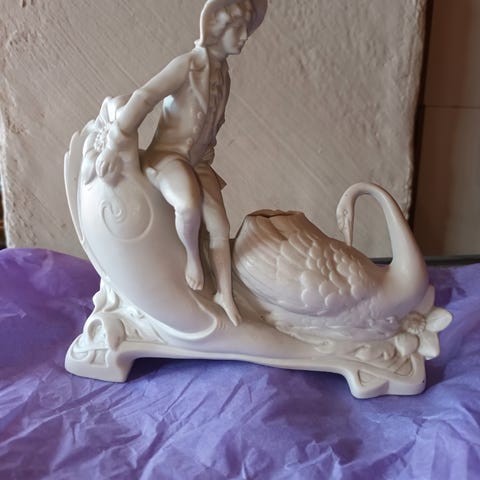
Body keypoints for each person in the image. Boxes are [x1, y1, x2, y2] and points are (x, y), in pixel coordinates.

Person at [104, 0, 267, 326]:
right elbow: (145, 97)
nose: (244, 37)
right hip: (168, 157)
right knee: (188, 204)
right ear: (218, 28)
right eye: (238, 29)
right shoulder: (188, 65)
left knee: (220, 227)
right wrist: (117, 139)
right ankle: (192, 260)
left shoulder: (224, 74)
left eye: (246, 30)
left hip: (199, 162)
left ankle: (225, 295)